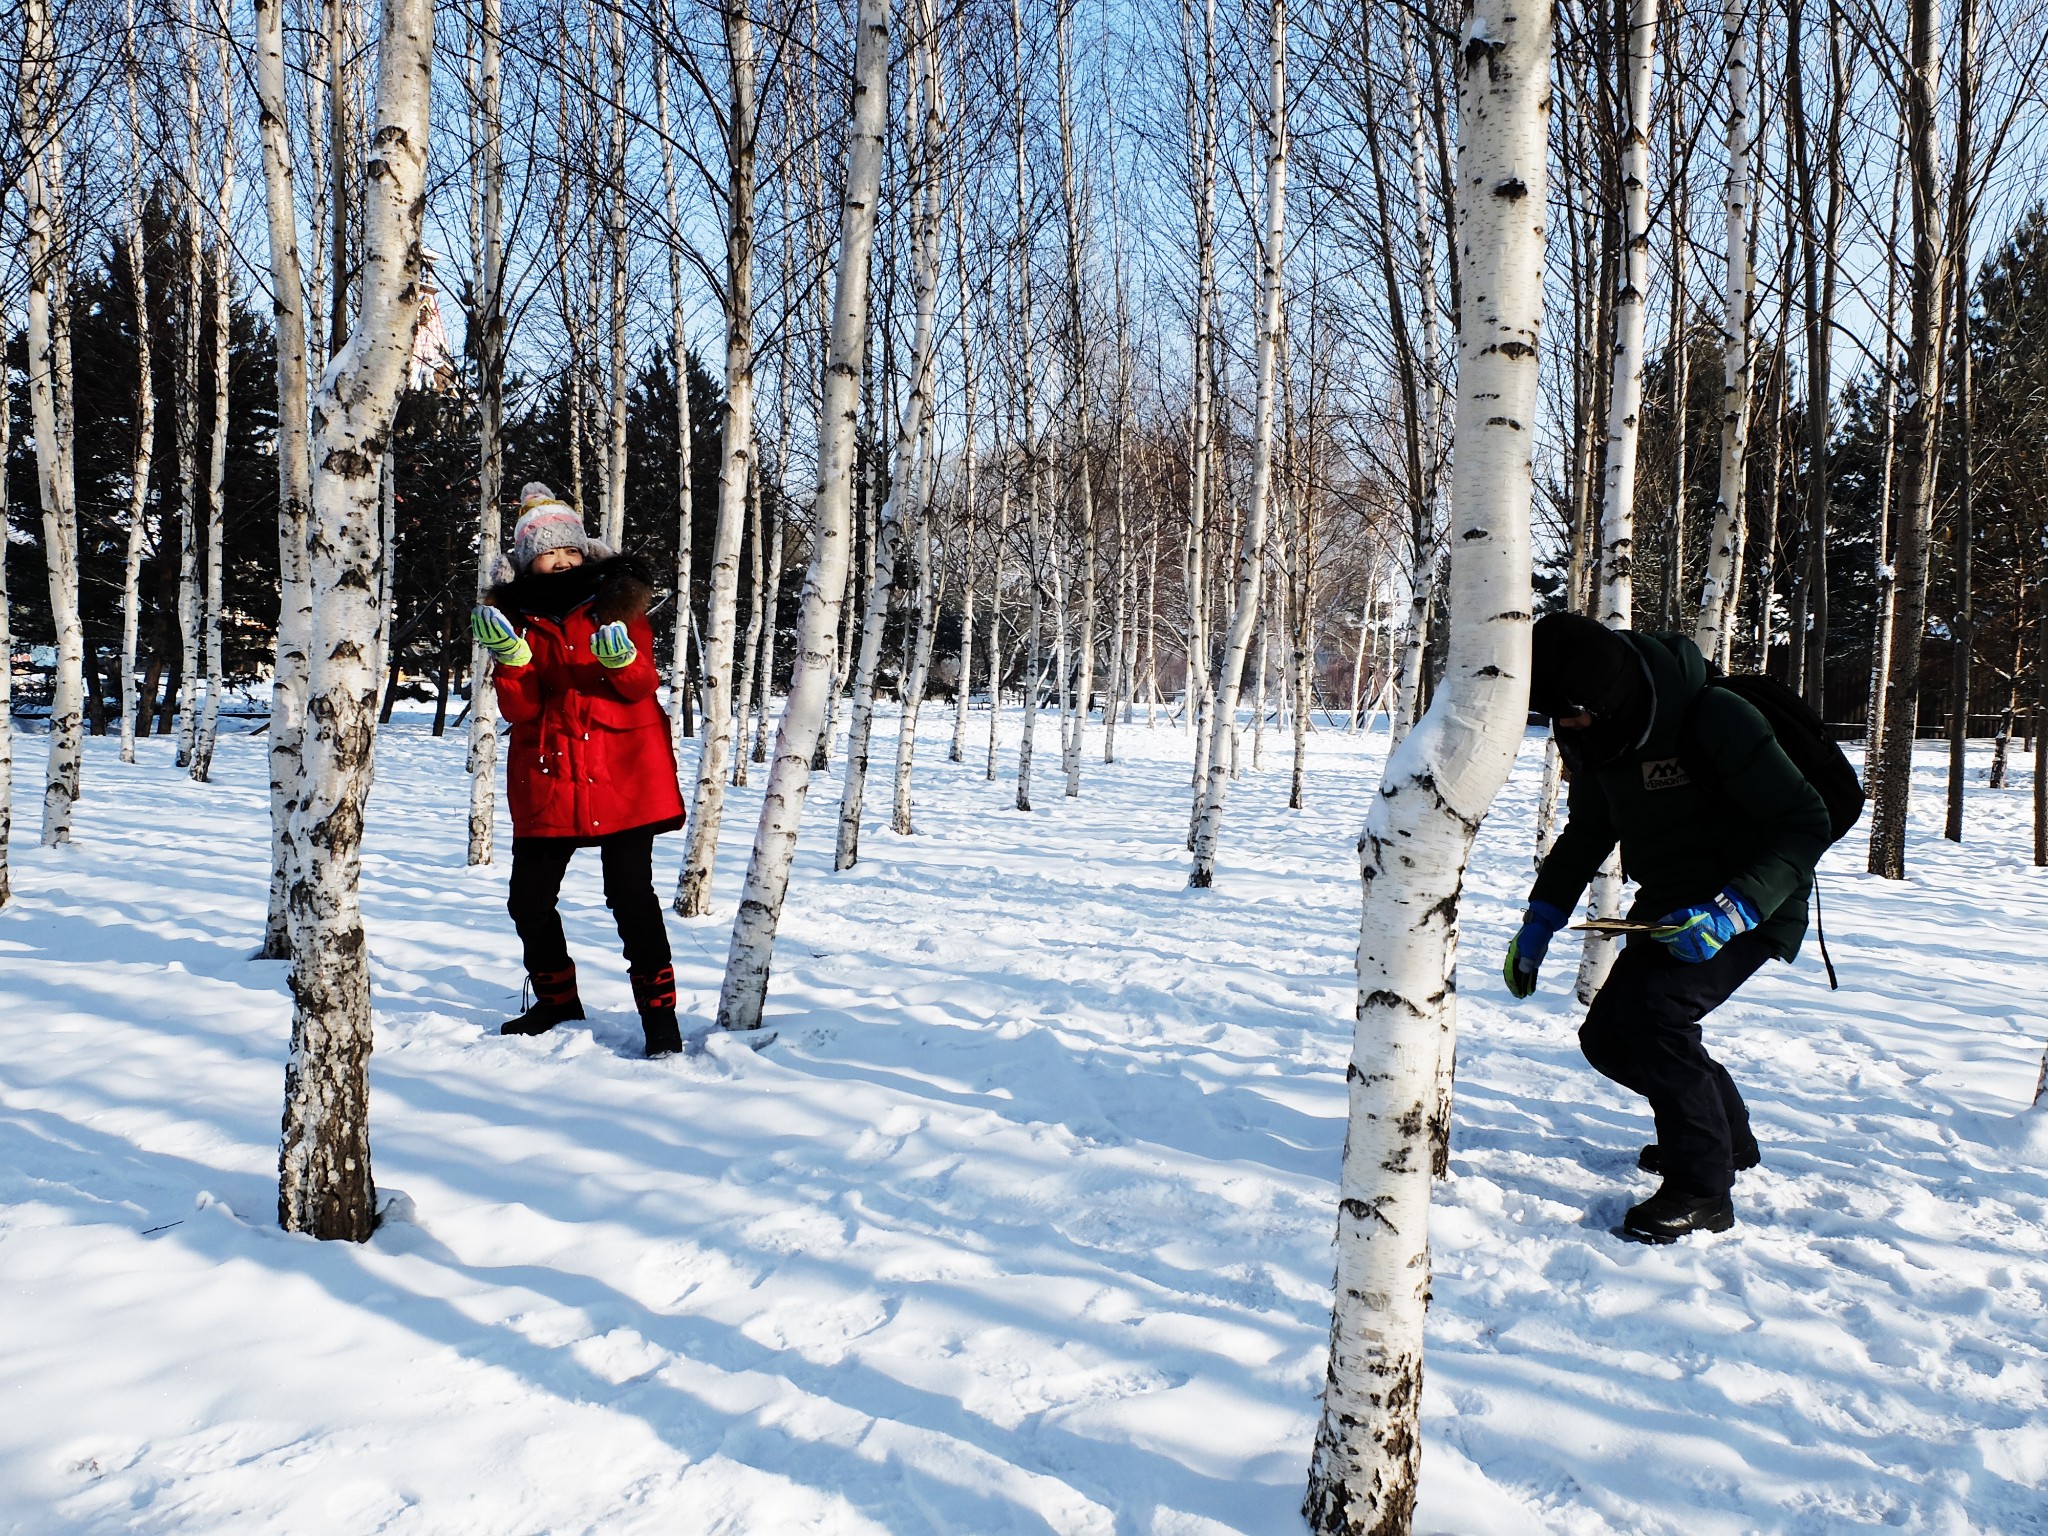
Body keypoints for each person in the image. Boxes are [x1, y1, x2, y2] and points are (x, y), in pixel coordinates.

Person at [1502, 612, 1831, 1243]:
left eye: (1569, 713)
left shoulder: (1714, 718)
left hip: (1756, 898)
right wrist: (1541, 919)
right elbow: (1588, 833)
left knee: (1657, 1013)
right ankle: (1723, 1138)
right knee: (1607, 1038)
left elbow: (1804, 822)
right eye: (1551, 716)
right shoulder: (1597, 738)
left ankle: (1703, 1187)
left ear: (1607, 696)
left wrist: (1734, 909)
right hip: (1669, 903)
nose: (1562, 728)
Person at [470, 483, 686, 1058]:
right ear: (526, 560)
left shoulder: (618, 601)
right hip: (551, 770)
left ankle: (660, 1020)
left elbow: (643, 687)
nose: (562, 560)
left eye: (570, 549)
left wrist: (624, 664)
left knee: (631, 898)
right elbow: (520, 710)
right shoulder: (512, 615)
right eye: (548, 551)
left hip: (621, 772)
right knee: (529, 900)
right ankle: (557, 1001)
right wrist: (513, 664)